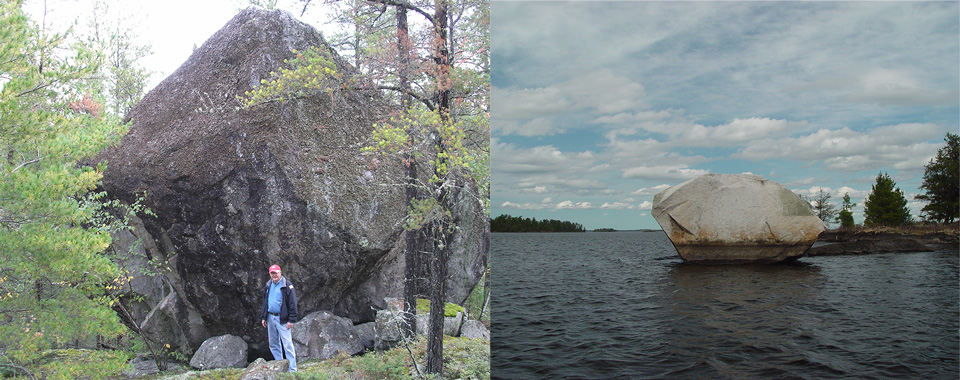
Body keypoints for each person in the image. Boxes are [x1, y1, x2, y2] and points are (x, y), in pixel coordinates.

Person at [259, 264, 298, 372]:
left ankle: (292, 369)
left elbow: (293, 303)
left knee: (287, 344)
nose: (274, 275)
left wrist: (291, 320)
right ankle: (280, 367)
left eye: (276, 273)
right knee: (273, 344)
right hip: (270, 317)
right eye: (272, 273)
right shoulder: (268, 285)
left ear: (280, 273)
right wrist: (263, 317)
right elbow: (265, 302)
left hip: (283, 319)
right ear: (269, 274)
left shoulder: (287, 285)